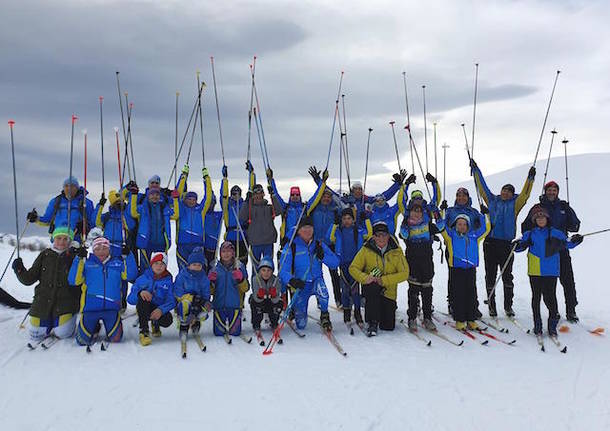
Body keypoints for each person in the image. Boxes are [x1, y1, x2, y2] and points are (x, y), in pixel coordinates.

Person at [471, 159, 536, 317]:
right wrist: (476, 169)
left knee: (507, 276)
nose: (505, 192)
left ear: (513, 194)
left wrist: (530, 179)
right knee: (490, 275)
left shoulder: (516, 203)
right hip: (490, 243)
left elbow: (525, 194)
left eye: (509, 191)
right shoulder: (492, 200)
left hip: (507, 244)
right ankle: (492, 306)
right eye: (503, 190)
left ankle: (508, 306)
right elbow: (482, 187)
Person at [514, 205, 583, 336]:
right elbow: (520, 247)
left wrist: (576, 240)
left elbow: (567, 244)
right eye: (538, 218)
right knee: (536, 298)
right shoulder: (530, 234)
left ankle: (552, 326)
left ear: (547, 219)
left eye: (543, 217)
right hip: (535, 270)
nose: (540, 219)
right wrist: (516, 245)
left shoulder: (556, 233)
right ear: (534, 220)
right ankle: (537, 325)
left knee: (550, 298)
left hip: (550, 271)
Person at [522, 181, 581, 322]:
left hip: (560, 247)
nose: (552, 192)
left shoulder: (563, 207)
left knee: (568, 281)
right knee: (547, 285)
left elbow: (575, 226)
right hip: (543, 252)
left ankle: (571, 310)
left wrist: (570, 214)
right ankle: (553, 311)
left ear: (557, 192)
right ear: (545, 191)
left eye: (554, 190)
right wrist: (529, 239)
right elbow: (525, 226)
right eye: (549, 190)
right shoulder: (538, 207)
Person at [12, 227, 79, 342]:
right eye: (59, 238)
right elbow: (29, 279)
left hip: (65, 303)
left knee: (63, 334)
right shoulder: (45, 255)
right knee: (36, 335)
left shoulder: (75, 256)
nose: (62, 242)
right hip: (42, 302)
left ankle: (65, 322)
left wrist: (81, 257)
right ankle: (48, 323)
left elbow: (81, 280)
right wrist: (19, 269)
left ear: (70, 241)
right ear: (54, 239)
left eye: (65, 239)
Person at [68, 237, 137, 346]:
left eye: (104, 248)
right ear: (93, 250)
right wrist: (79, 259)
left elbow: (131, 275)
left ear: (109, 249)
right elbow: (73, 281)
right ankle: (94, 326)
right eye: (98, 249)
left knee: (116, 339)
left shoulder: (117, 263)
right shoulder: (87, 264)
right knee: (82, 341)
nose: (101, 251)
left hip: (111, 310)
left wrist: (128, 256)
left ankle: (105, 326)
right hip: (90, 310)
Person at [279, 216, 340, 331]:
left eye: (310, 228)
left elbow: (335, 263)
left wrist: (323, 256)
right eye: (304, 228)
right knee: (301, 325)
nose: (307, 231)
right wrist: (292, 280)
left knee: (323, 293)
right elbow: (283, 270)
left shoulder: (318, 244)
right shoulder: (291, 246)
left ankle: (324, 314)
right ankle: (297, 312)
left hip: (316, 280)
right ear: (298, 230)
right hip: (301, 284)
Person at [349, 222, 409, 336]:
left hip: (388, 292)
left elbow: (405, 273)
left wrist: (384, 280)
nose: (381, 238)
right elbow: (353, 268)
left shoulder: (396, 251)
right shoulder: (366, 249)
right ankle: (373, 322)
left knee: (388, 326)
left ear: (388, 236)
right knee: (372, 288)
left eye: (384, 235)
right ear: (373, 236)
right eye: (378, 235)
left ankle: (385, 310)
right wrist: (365, 278)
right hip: (372, 288)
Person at [439, 211, 491, 331]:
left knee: (471, 294)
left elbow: (486, 229)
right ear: (455, 225)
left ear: (468, 226)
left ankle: (471, 319)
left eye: (464, 224)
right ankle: (460, 319)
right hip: (457, 269)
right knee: (459, 295)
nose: (462, 226)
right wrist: (443, 213)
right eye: (459, 224)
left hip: (470, 269)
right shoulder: (451, 236)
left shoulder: (474, 236)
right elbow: (441, 226)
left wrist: (485, 215)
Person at [310, 166, 406, 227]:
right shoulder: (346, 200)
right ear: (352, 190)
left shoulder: (367, 200)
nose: (358, 191)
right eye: (356, 189)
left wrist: (397, 184)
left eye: (360, 189)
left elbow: (385, 196)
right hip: (349, 229)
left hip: (365, 231)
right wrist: (319, 181)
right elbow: (332, 194)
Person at [399, 200, 443, 331]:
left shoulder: (427, 224)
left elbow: (441, 227)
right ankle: (412, 317)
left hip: (426, 260)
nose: (417, 214)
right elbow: (403, 234)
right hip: (413, 260)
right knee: (413, 290)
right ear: (410, 212)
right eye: (414, 211)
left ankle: (427, 317)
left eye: (419, 211)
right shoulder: (407, 224)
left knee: (427, 289)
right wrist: (405, 221)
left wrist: (438, 215)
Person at [441, 187, 483, 316]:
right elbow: (440, 221)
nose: (461, 198)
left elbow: (482, 225)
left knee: (470, 280)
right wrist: (442, 210)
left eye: (464, 195)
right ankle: (453, 304)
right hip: (453, 247)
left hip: (469, 247)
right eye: (458, 195)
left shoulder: (473, 211)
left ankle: (472, 307)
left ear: (468, 197)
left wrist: (483, 214)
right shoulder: (450, 211)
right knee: (454, 278)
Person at [327, 207, 371, 326]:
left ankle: (357, 311)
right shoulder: (338, 231)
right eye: (344, 219)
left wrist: (366, 219)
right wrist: (335, 224)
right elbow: (329, 238)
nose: (347, 221)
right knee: (345, 289)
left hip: (356, 265)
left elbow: (370, 234)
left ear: (353, 220)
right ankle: (347, 311)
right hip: (343, 264)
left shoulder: (359, 231)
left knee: (356, 289)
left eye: (349, 218)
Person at [268, 166, 328, 243]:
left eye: (297, 195)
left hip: (303, 241)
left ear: (300, 196)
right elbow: (275, 195)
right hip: (288, 241)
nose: (295, 196)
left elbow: (316, 196)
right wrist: (270, 179)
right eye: (293, 195)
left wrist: (323, 182)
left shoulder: (305, 208)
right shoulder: (285, 208)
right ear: (290, 196)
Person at [127, 252, 175, 346]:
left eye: (162, 264)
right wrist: (139, 293)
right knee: (143, 299)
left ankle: (155, 322)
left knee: (167, 320)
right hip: (144, 307)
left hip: (158, 308)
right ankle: (144, 331)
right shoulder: (142, 278)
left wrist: (161, 310)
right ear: (151, 264)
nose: (159, 266)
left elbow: (172, 301)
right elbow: (130, 299)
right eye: (156, 263)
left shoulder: (168, 281)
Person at [171, 166, 213, 270]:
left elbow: (208, 196)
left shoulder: (201, 210)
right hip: (182, 245)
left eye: (193, 199)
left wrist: (206, 178)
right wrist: (184, 175)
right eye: (189, 199)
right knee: (183, 272)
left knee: (197, 272)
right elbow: (178, 193)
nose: (191, 201)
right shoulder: (181, 208)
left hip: (197, 245)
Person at [28, 176, 94, 242]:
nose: (69, 188)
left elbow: (92, 222)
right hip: (57, 241)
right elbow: (47, 220)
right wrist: (36, 218)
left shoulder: (86, 203)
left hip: (76, 241)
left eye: (72, 186)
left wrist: (85, 226)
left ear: (77, 188)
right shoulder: (55, 201)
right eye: (66, 186)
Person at [240, 163, 279, 272]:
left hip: (268, 241)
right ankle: (257, 288)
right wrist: (246, 201)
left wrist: (273, 195)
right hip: (255, 242)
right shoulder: (249, 208)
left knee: (269, 268)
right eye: (255, 194)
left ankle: (270, 288)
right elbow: (242, 217)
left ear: (263, 194)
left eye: (260, 193)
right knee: (256, 270)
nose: (258, 196)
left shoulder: (269, 207)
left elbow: (280, 211)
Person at [208, 241, 249, 337]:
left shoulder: (239, 267)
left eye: (229, 251)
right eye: (223, 251)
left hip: (234, 306)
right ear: (220, 253)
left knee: (235, 333)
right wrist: (210, 282)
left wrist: (241, 279)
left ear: (233, 253)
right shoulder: (215, 268)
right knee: (218, 333)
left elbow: (246, 288)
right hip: (219, 305)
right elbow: (210, 292)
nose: (226, 254)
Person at [129, 184, 173, 273]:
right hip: (146, 242)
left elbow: (176, 215)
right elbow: (133, 212)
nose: (154, 196)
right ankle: (145, 286)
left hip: (161, 242)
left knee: (161, 267)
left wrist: (174, 198)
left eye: (157, 195)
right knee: (145, 268)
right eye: (152, 194)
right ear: (148, 196)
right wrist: (134, 196)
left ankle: (160, 285)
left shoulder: (164, 207)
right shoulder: (143, 208)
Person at [311, 188, 342, 307]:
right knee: (318, 274)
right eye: (324, 196)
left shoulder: (335, 210)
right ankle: (320, 299)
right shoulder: (314, 209)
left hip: (330, 244)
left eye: (329, 197)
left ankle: (339, 299)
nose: (326, 199)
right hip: (317, 244)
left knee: (334, 273)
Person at [173, 249, 212, 338]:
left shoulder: (204, 278)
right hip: (184, 301)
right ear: (189, 265)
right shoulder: (182, 275)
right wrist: (192, 298)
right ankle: (183, 326)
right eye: (194, 264)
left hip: (198, 302)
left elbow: (206, 293)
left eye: (199, 265)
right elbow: (178, 292)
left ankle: (196, 322)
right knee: (185, 305)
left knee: (204, 311)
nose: (196, 267)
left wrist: (205, 302)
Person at [220, 165, 249, 266]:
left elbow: (251, 190)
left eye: (237, 194)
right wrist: (224, 179)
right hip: (231, 236)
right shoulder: (227, 205)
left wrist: (251, 174)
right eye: (233, 194)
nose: (235, 196)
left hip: (243, 237)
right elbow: (223, 195)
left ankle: (242, 279)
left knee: (242, 263)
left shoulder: (245, 204)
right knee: (229, 262)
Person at [249, 258, 283, 333]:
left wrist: (274, 296)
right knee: (254, 302)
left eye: (268, 270)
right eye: (263, 270)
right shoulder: (255, 279)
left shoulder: (276, 280)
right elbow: (255, 297)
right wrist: (259, 296)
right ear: (260, 271)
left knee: (279, 304)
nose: (266, 273)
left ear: (272, 271)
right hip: (261, 302)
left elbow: (277, 298)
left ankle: (274, 322)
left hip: (270, 302)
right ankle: (256, 323)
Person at [204, 195, 223, 269]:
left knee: (212, 269)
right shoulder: (202, 214)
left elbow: (225, 206)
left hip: (214, 248)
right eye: (209, 203)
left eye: (213, 203)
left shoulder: (218, 215)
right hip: (204, 248)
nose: (210, 205)